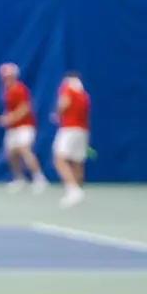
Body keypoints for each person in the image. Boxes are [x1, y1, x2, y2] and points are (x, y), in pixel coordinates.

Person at [0, 62, 46, 193]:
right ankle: (19, 179)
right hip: (12, 129)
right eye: (2, 74)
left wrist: (11, 118)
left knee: (25, 150)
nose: (2, 77)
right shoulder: (6, 91)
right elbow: (11, 110)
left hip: (25, 126)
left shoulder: (19, 89)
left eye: (5, 74)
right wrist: (5, 118)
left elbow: (25, 108)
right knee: (11, 154)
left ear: (13, 75)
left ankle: (39, 178)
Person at [52, 72, 91, 208]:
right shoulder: (84, 94)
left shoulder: (67, 89)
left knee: (59, 159)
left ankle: (73, 190)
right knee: (77, 162)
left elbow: (64, 103)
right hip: (83, 130)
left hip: (69, 129)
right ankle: (77, 191)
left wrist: (57, 115)